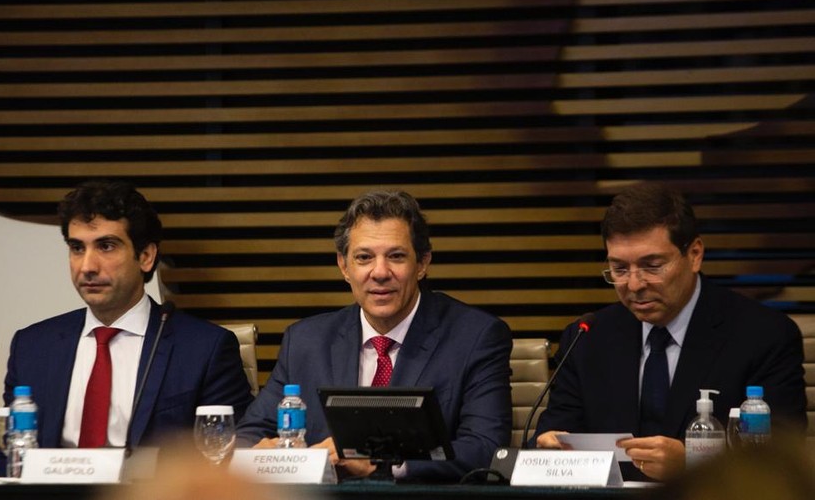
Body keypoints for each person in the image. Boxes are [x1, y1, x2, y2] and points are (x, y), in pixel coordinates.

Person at [0, 181, 254, 481]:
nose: (87, 266)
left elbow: (226, 454)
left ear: (146, 256)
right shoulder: (34, 345)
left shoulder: (204, 348)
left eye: (106, 246)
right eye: (77, 248)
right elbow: (10, 451)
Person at [533, 182, 806, 481]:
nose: (634, 285)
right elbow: (553, 435)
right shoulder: (587, 337)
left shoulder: (763, 335)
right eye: (619, 269)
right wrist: (550, 450)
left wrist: (693, 463)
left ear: (695, 255)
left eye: (652, 266)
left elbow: (782, 460)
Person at [236, 189, 513, 482]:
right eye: (364, 257)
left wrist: (383, 465)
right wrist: (270, 455)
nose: (380, 272)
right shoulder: (305, 340)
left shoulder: (476, 337)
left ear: (422, 264)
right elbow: (249, 434)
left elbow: (486, 448)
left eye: (396, 256)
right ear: (344, 266)